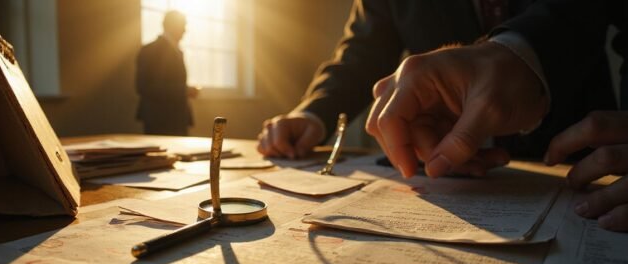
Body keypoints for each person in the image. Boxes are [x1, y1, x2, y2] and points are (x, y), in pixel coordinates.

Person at [367, 0, 628, 231]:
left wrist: (517, 52)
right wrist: (323, 115)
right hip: (458, 171)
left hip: (590, 164)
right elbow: (363, 49)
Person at [257, 0, 537, 160]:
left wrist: (521, 55)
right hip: (440, 156)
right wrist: (312, 114)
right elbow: (363, 55)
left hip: (568, 157)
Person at [136, 10, 200, 136]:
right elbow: (144, 86)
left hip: (177, 119)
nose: (185, 30)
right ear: (172, 26)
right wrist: (184, 91)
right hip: (160, 119)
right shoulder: (150, 50)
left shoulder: (177, 51)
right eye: (183, 25)